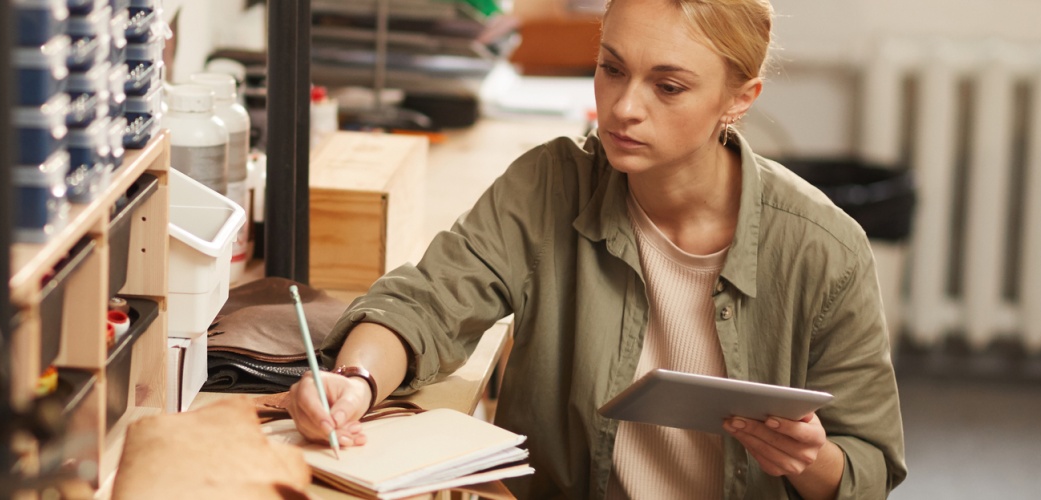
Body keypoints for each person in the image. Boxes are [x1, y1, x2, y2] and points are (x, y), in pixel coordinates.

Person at [283, 0, 907, 498]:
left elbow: (868, 467)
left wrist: (809, 460)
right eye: (612, 68)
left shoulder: (825, 249)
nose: (623, 108)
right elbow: (427, 302)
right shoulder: (548, 186)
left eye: (668, 87)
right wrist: (355, 381)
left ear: (739, 99)